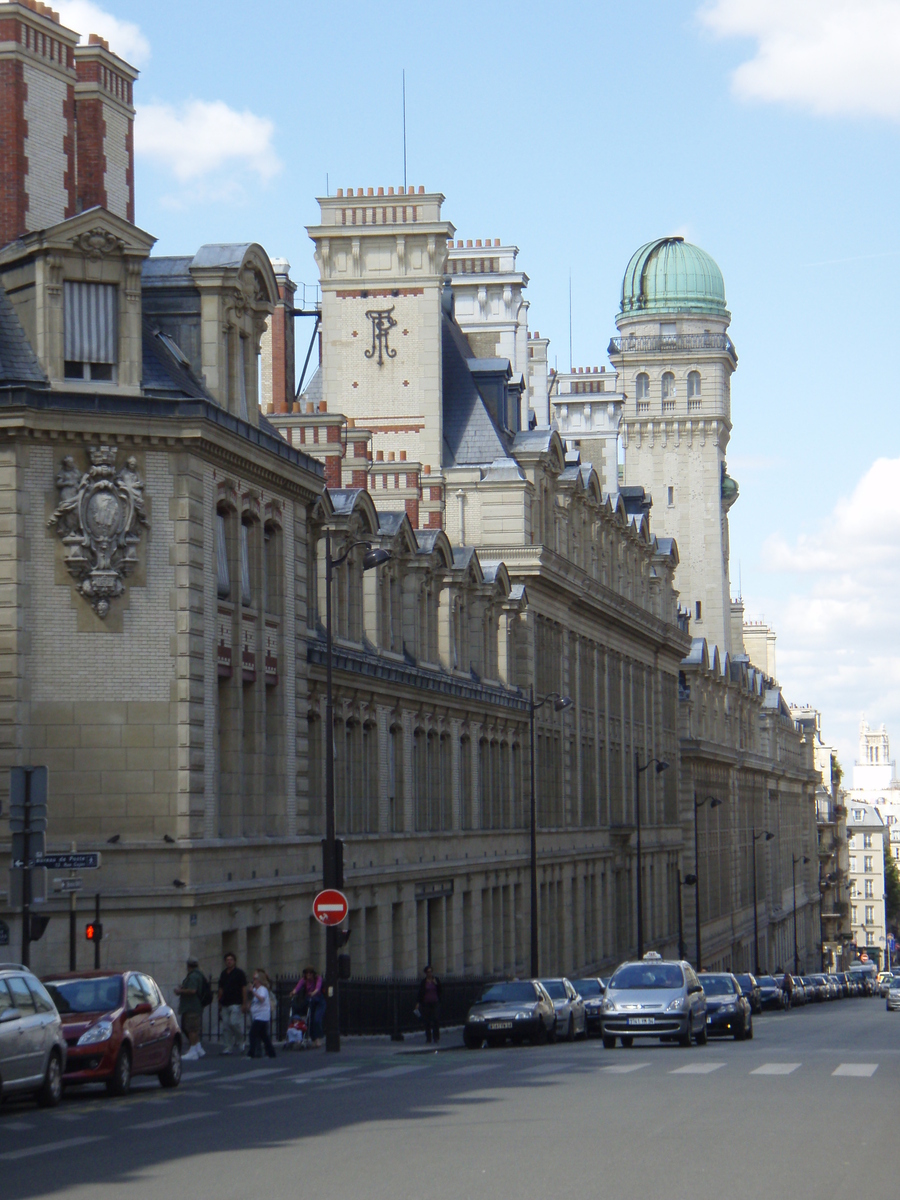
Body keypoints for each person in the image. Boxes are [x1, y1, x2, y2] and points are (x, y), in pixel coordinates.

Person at [174, 956, 206, 1060]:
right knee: (194, 1029)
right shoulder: (199, 974)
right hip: (195, 1006)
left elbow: (192, 990)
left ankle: (193, 1051)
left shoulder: (193, 976)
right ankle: (197, 1048)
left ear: (188, 966)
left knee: (191, 1029)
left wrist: (180, 991)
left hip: (191, 1006)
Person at [217, 952, 248, 1055]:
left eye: (231, 960)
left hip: (236, 1002)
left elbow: (243, 988)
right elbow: (220, 988)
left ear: (234, 961)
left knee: (234, 1022)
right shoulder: (223, 974)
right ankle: (228, 1046)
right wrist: (219, 1002)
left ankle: (240, 1040)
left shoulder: (239, 973)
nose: (229, 962)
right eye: (227, 960)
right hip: (225, 1002)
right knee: (226, 1026)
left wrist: (244, 1002)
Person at [247, 968, 277, 1059]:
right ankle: (271, 1053)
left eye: (255, 979)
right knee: (264, 1036)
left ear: (259, 980)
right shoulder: (257, 989)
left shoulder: (262, 989)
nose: (254, 980)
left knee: (252, 1034)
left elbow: (262, 999)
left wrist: (253, 992)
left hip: (261, 1016)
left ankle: (251, 1053)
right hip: (258, 1015)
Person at [292, 967, 325, 1047]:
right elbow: (297, 987)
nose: (308, 975)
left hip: (319, 1001)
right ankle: (314, 1038)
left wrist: (313, 993)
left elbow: (318, 988)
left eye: (310, 973)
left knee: (317, 1019)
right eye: (307, 973)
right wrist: (293, 992)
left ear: (313, 974)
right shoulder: (304, 980)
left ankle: (318, 1038)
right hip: (310, 1000)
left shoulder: (318, 979)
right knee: (311, 1019)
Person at [417, 965, 442, 1044]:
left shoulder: (436, 980)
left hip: (435, 1002)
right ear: (426, 973)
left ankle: (436, 1037)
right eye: (428, 972)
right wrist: (418, 1003)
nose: (430, 973)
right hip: (426, 1003)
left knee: (436, 1020)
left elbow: (440, 990)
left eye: (431, 971)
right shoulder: (424, 982)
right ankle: (428, 1038)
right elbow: (420, 993)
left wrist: (436, 984)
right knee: (427, 1021)